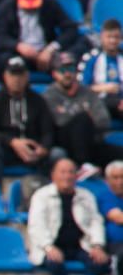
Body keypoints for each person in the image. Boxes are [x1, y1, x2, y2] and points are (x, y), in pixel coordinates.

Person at [28, 157, 109, 275]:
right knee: (54, 263)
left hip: (80, 245)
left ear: (76, 176)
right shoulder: (41, 196)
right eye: (63, 172)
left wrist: (97, 245)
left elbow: (95, 222)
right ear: (53, 175)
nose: (67, 176)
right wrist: (48, 247)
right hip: (52, 245)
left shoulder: (86, 196)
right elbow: (37, 225)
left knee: (100, 263)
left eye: (71, 172)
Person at [43, 51, 123, 179]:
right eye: (63, 70)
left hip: (91, 141)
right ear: (55, 74)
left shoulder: (87, 92)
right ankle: (82, 166)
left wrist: (85, 122)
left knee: (119, 152)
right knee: (82, 119)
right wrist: (85, 118)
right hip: (65, 144)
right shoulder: (49, 95)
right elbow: (60, 122)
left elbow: (103, 120)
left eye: (70, 69)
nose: (68, 74)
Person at [0, 56, 57, 187]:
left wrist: (43, 148)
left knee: (58, 154)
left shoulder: (38, 100)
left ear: (27, 76)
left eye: (20, 75)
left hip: (34, 150)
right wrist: (13, 142)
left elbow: (48, 130)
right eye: (13, 74)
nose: (16, 79)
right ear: (5, 76)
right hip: (8, 150)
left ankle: (49, 192)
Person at [0, 0, 81, 74]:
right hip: (18, 54)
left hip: (47, 53)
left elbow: (70, 29)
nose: (30, 8)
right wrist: (18, 46)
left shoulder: (49, 4)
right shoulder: (7, 7)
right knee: (8, 62)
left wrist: (51, 49)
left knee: (69, 59)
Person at [79, 19, 123, 122]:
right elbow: (81, 88)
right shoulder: (90, 58)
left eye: (116, 37)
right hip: (98, 101)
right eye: (109, 37)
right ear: (102, 37)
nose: (113, 41)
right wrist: (101, 88)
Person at [97, 160, 123, 269]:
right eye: (115, 178)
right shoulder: (105, 197)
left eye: (122, 177)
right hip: (115, 244)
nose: (120, 182)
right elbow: (119, 218)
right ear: (107, 180)